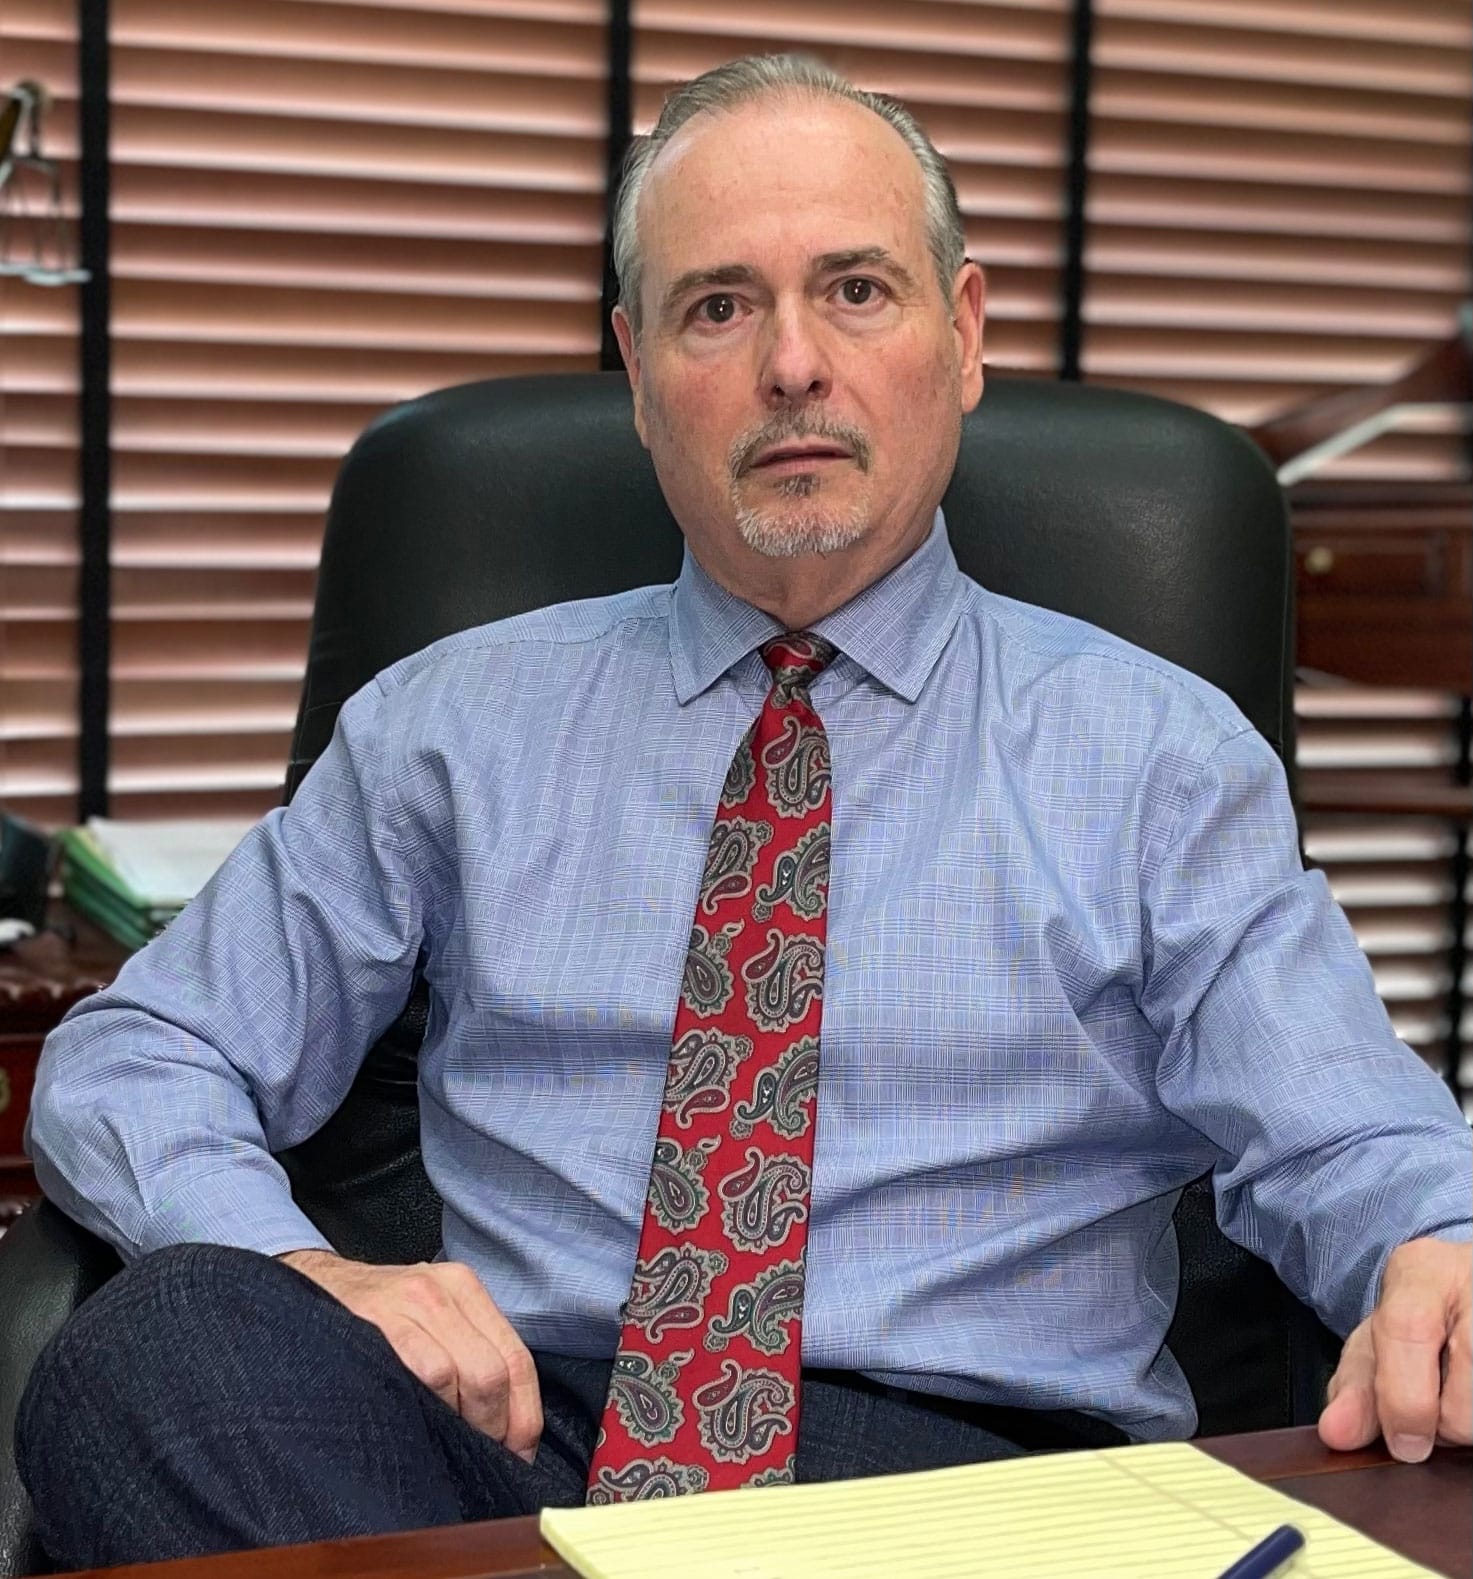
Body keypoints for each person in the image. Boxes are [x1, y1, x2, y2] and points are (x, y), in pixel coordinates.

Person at [17, 52, 1472, 1569]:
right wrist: (307, 1264)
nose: (791, 364)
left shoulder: (1160, 758)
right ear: (638, 370)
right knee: (164, 1338)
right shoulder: (445, 729)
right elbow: (146, 1050)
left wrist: (1442, 1247)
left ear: (961, 336)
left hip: (972, 1491)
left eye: (855, 289)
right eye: (716, 307)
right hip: (526, 1455)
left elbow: (1351, 1139)